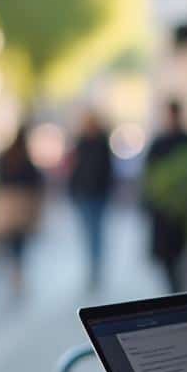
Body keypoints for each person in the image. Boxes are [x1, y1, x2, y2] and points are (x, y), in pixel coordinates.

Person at [143, 99, 187, 291]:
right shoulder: (160, 143)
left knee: (182, 262)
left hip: (183, 215)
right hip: (164, 214)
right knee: (169, 265)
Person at [0, 126, 43, 296]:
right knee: (19, 243)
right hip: (22, 207)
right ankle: (17, 273)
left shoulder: (4, 158)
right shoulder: (26, 160)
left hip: (6, 206)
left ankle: (13, 274)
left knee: (8, 242)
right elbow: (35, 183)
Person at [68, 109, 114, 288]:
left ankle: (96, 268)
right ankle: (92, 268)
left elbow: (107, 169)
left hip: (98, 194)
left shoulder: (102, 142)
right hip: (84, 193)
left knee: (96, 232)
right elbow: (75, 169)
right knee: (89, 232)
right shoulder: (81, 143)